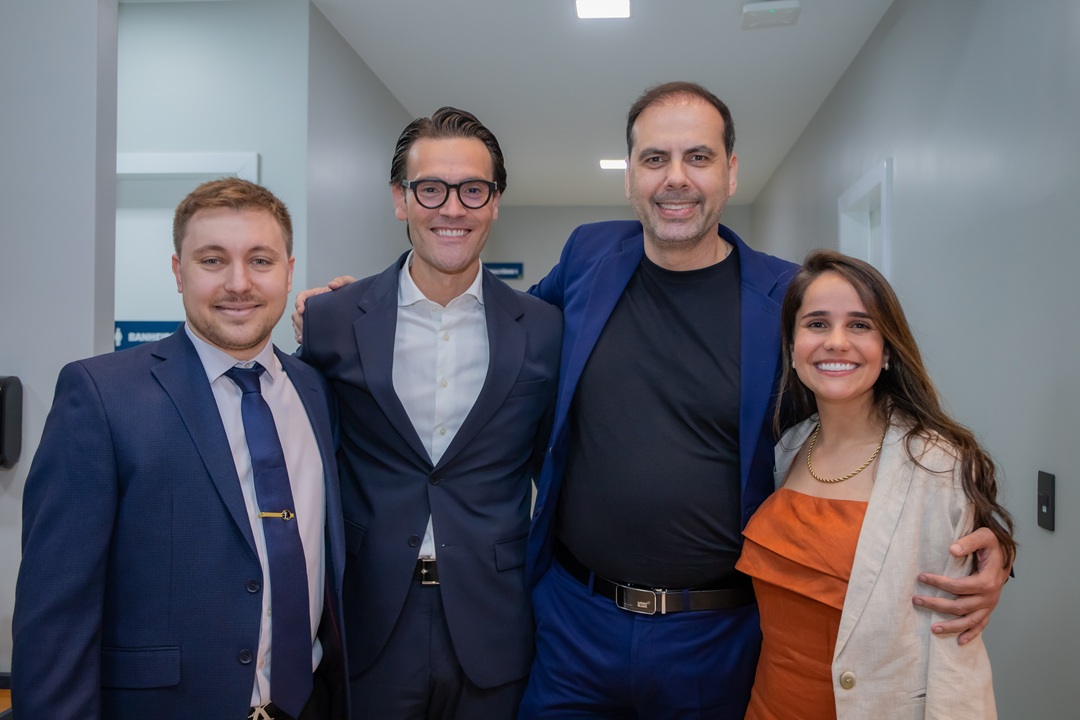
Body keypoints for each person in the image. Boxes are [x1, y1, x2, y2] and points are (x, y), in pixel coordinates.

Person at [515, 82, 1012, 719]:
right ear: (631, 175)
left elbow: (870, 411)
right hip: (575, 622)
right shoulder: (589, 254)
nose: (676, 178)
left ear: (730, 172)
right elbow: (510, 333)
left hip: (717, 638)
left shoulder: (786, 298)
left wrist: (984, 537)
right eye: (655, 158)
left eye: (698, 157)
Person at [12, 178, 348, 720]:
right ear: (178, 272)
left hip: (311, 705)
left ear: (289, 271)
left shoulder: (318, 390)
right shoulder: (101, 395)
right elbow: (55, 613)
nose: (238, 283)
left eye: (260, 261)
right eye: (212, 260)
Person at [297, 107, 561, 719]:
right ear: (400, 199)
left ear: (495, 202)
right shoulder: (334, 319)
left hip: (495, 620)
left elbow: (555, 471)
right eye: (431, 189)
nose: (453, 208)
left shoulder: (544, 328)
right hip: (370, 618)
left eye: (473, 190)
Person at [736, 249, 1016, 719]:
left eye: (860, 325)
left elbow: (956, 654)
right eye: (817, 324)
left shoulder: (936, 464)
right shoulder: (790, 446)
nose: (836, 342)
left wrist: (1002, 554)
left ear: (886, 350)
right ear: (793, 346)